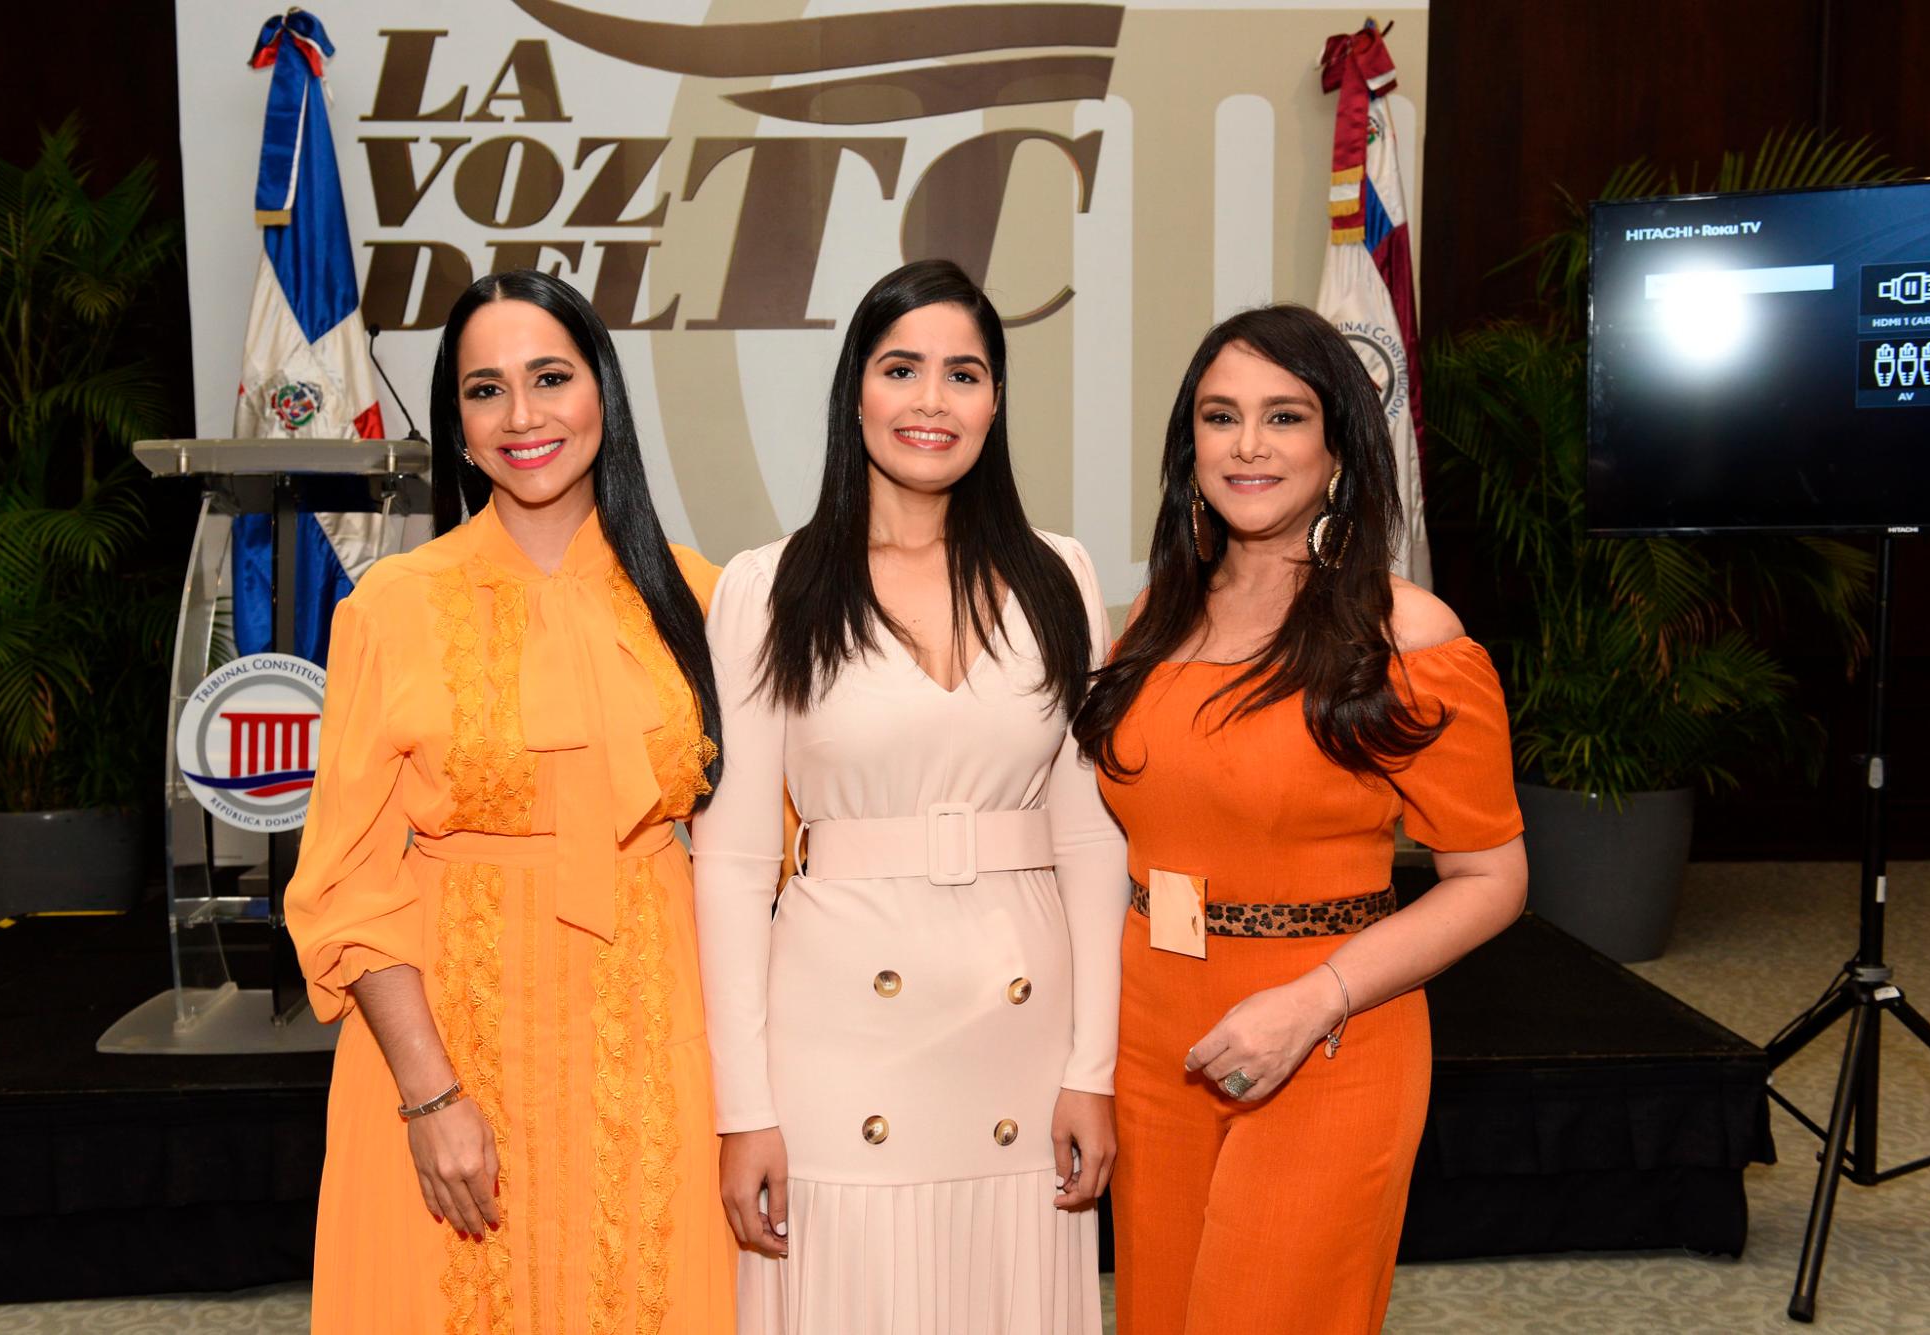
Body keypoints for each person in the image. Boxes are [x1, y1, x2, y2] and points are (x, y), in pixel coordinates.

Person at [285, 269, 736, 1333]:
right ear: (457, 421)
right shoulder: (393, 607)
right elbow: (346, 879)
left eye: (549, 378)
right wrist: (430, 1095)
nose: (522, 416)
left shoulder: (702, 595)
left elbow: (770, 845)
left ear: (602, 396)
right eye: (485, 390)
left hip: (657, 1029)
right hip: (448, 1032)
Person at [1071, 305, 1528, 1334]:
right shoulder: (1147, 624)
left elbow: (1491, 881)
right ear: (1187, 448)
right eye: (1218, 416)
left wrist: (1311, 1000)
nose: (1245, 445)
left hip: (1330, 1037)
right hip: (1152, 1036)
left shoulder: (1407, 637)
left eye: (1283, 417)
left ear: (1335, 453)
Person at [692, 259, 1130, 1334]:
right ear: (856, 393)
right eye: (903, 369)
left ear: (995, 401)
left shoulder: (1057, 575)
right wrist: (743, 1109)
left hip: (1019, 1034)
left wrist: (1093, 1068)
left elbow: (1089, 839)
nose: (933, 402)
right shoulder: (770, 585)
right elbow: (737, 861)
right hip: (838, 1032)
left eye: (964, 374)